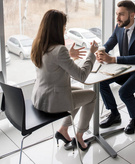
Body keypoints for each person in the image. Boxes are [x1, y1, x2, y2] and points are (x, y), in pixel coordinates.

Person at [31, 9, 98, 151]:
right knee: (91, 96)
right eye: (63, 26)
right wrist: (91, 55)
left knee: (79, 94)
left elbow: (52, 65)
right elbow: (81, 76)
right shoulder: (60, 50)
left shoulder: (38, 44)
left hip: (40, 97)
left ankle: (63, 129)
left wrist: (69, 55)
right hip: (52, 101)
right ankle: (79, 136)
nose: (65, 29)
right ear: (57, 28)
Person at [96, 0, 135, 134]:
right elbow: (110, 42)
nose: (117, 18)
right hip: (126, 67)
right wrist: (101, 51)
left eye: (121, 14)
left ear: (132, 15)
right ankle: (114, 114)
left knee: (124, 92)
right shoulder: (119, 26)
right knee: (102, 83)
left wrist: (113, 59)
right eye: (117, 14)